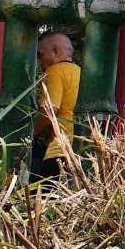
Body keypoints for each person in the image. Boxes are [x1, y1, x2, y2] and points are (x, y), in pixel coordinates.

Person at [30, 31, 80, 182]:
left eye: (40, 55)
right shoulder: (80, 72)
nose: (39, 62)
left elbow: (50, 110)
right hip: (78, 148)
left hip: (58, 150)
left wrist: (31, 134)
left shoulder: (55, 71)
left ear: (56, 52)